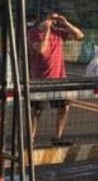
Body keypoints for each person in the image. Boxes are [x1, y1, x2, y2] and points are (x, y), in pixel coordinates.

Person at [28, 8, 84, 145]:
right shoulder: (34, 33)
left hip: (59, 77)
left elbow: (80, 36)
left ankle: (57, 137)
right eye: (52, 19)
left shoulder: (59, 32)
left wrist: (65, 23)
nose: (54, 22)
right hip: (40, 79)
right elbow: (41, 50)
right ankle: (30, 139)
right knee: (36, 110)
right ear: (44, 19)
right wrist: (46, 31)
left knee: (64, 107)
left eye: (55, 20)